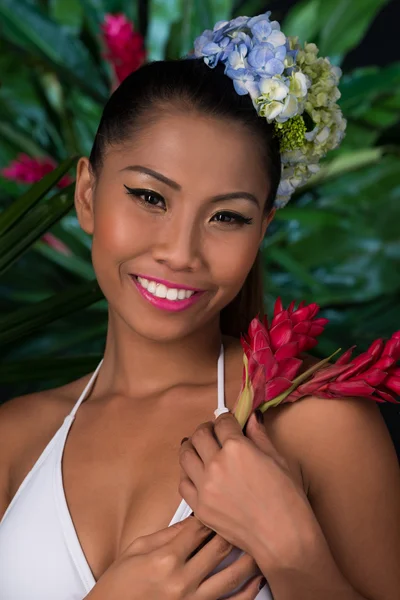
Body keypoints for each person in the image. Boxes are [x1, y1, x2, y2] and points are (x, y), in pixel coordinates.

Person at [0, 11, 399, 600]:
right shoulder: (13, 440)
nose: (179, 252)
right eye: (149, 196)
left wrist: (294, 552)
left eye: (227, 217)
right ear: (86, 195)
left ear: (261, 229)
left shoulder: (319, 428)